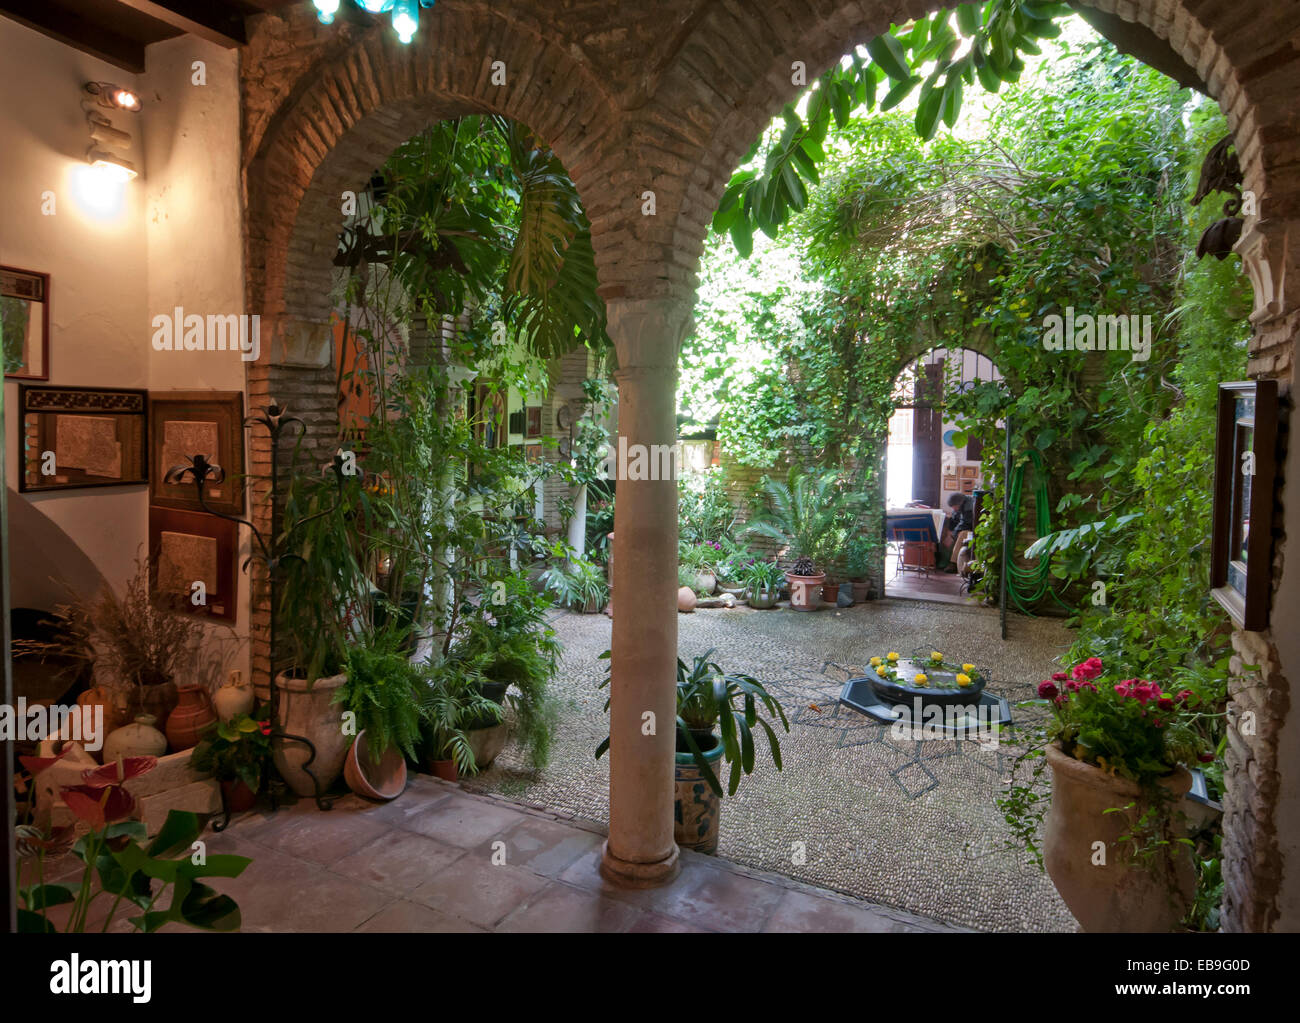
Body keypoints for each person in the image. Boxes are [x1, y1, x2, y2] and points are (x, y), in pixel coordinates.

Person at [937, 492, 974, 571]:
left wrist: (952, 536)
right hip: (964, 527)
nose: (954, 509)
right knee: (945, 533)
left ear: (960, 503)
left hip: (972, 528)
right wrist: (949, 532)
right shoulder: (959, 505)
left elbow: (966, 523)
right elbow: (954, 519)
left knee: (961, 534)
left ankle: (953, 563)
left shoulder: (969, 505)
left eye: (955, 507)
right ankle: (942, 561)